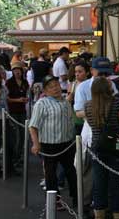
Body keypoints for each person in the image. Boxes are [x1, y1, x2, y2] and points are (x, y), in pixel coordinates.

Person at [85, 77, 119, 219]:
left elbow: (93, 126)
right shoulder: (117, 103)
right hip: (115, 149)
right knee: (115, 186)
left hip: (97, 148)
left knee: (99, 185)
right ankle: (117, 214)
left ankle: (99, 214)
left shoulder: (88, 106)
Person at [29, 75, 77, 210]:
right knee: (50, 174)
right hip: (49, 144)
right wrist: (36, 143)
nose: (55, 88)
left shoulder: (66, 102)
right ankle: (54, 200)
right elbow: (33, 125)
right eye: (51, 86)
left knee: (71, 172)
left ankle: (77, 198)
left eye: (56, 84)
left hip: (67, 143)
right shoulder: (41, 103)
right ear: (45, 90)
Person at [6, 61, 29, 169]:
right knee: (16, 135)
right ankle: (14, 157)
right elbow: (7, 98)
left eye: (18, 70)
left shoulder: (25, 82)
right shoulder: (9, 83)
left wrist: (25, 99)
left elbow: (27, 93)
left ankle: (19, 157)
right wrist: (18, 100)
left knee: (22, 134)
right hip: (13, 111)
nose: (16, 72)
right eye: (14, 70)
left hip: (22, 110)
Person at [67, 60, 90, 135]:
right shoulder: (73, 84)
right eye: (76, 72)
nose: (77, 74)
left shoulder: (90, 85)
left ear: (87, 72)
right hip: (75, 118)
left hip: (87, 118)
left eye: (80, 72)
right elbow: (68, 100)